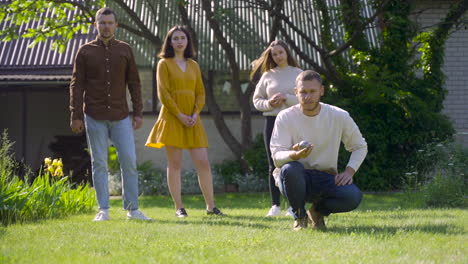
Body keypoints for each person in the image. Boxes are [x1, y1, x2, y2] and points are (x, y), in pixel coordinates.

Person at [69, 7, 151, 221]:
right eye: (102, 22)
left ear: (116, 25)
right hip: (93, 115)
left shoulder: (125, 50)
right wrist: (75, 115)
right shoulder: (85, 51)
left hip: (121, 116)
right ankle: (103, 209)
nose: (106, 26)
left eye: (110, 22)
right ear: (96, 25)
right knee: (99, 163)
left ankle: (133, 210)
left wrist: (139, 112)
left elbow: (134, 83)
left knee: (129, 161)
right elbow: (76, 86)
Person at [270, 70, 367, 231]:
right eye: (303, 92)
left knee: (353, 196)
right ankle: (299, 217)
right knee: (290, 168)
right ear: (296, 92)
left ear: (321, 91)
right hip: (295, 178)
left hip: (326, 176)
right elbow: (277, 157)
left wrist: (349, 172)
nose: (307, 97)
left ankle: (317, 212)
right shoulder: (285, 117)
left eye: (312, 91)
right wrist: (294, 155)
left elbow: (359, 146)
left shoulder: (339, 115)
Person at [145, 26, 224, 217]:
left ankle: (211, 207)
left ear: (188, 41)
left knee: (203, 162)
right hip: (172, 118)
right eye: (175, 38)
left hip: (192, 119)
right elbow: (163, 93)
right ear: (169, 42)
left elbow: (200, 93)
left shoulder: (194, 65)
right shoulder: (164, 64)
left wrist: (195, 114)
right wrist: (179, 115)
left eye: (183, 38)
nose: (179, 41)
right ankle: (179, 207)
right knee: (175, 164)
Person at [251, 40, 302, 217]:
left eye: (281, 52)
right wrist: (269, 103)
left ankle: (293, 205)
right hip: (272, 122)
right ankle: (275, 206)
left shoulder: (299, 74)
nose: (278, 56)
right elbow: (257, 101)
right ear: (271, 57)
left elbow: (305, 98)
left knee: (293, 162)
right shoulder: (267, 75)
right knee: (273, 163)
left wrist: (287, 98)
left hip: (293, 121)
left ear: (287, 53)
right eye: (275, 54)